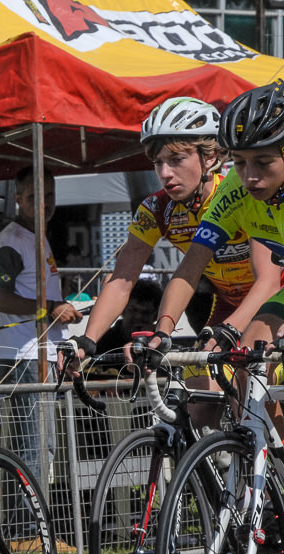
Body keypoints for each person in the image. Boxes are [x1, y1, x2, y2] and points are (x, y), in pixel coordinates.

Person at [63, 97, 276, 374]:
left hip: (271, 297)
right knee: (199, 393)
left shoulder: (240, 194)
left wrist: (230, 330)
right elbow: (122, 282)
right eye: (158, 162)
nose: (165, 173)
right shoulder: (156, 210)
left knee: (254, 380)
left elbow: (268, 280)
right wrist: (87, 340)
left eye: (176, 160)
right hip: (227, 303)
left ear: (209, 157)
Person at [149, 81, 284, 371]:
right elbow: (190, 268)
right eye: (239, 162)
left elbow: (269, 280)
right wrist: (163, 330)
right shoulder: (235, 192)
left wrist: (231, 326)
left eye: (263, 162)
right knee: (249, 367)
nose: (250, 176)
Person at [0, 166, 82, 516]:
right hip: (23, 355)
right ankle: (27, 529)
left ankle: (20, 524)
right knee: (34, 446)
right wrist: (49, 309)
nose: (44, 204)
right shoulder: (13, 240)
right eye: (34, 197)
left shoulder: (37, 236)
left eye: (49, 196)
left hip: (39, 352)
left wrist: (61, 311)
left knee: (36, 445)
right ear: (17, 199)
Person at [94, 278, 163, 356]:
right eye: (132, 310)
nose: (138, 316)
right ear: (122, 309)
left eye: (146, 312)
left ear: (155, 315)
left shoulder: (159, 341)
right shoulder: (104, 340)